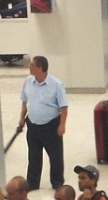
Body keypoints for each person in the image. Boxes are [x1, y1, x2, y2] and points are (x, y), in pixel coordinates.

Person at [20, 56, 70, 190]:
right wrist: (21, 117)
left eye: (32, 65)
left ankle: (57, 181)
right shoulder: (28, 82)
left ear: (40, 68)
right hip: (33, 125)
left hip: (51, 126)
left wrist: (62, 125)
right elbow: (24, 101)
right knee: (33, 155)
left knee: (55, 156)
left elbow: (63, 107)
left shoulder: (56, 85)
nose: (29, 67)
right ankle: (32, 182)